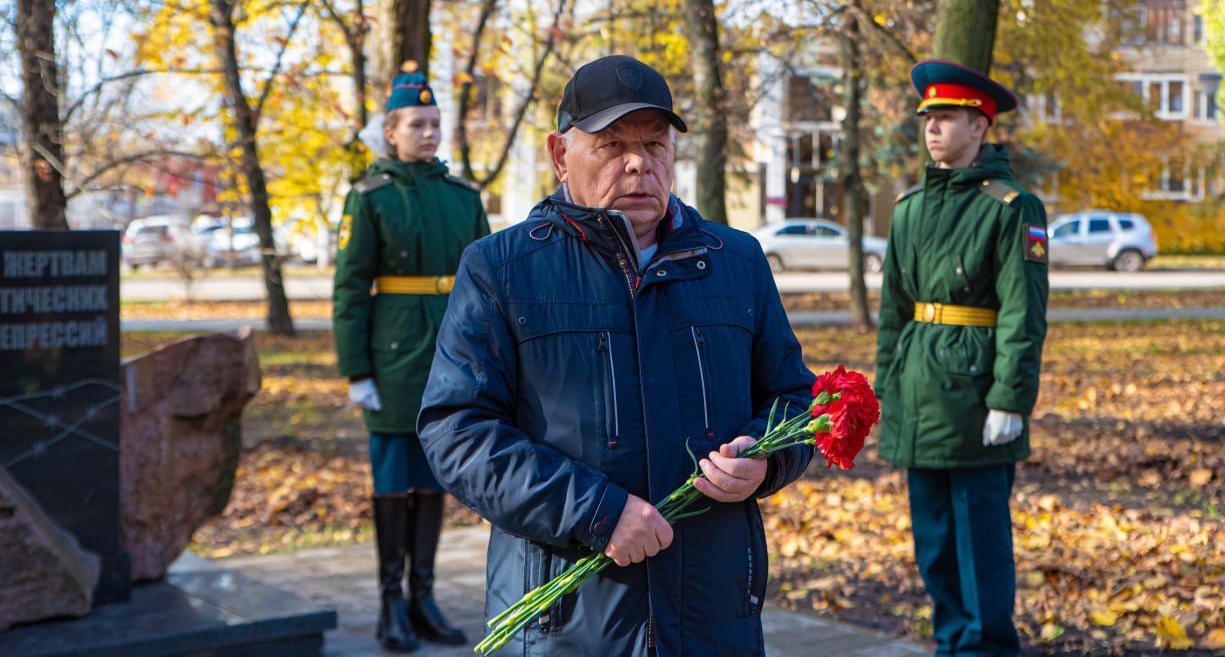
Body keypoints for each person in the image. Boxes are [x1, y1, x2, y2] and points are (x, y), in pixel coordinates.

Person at [417, 54, 816, 654]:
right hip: (568, 622)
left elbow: (795, 399)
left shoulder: (736, 261)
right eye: (611, 145)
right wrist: (596, 512)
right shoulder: (502, 269)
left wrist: (767, 460)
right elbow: (457, 430)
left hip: (712, 614)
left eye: (655, 144)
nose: (638, 163)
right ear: (560, 156)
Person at [874, 60, 1049, 657]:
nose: (932, 128)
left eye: (946, 117)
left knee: (980, 540)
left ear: (980, 125)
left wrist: (1010, 397)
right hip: (919, 390)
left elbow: (1024, 312)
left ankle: (987, 647)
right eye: (928, 118)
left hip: (976, 395)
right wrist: (884, 390)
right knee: (934, 542)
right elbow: (894, 312)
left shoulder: (1011, 208)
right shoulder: (908, 210)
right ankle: (952, 644)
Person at [333, 63, 490, 652]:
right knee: (394, 481)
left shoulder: (462, 197)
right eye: (416, 124)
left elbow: (484, 283)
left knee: (433, 481)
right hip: (394, 353)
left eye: (434, 123)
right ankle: (389, 604)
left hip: (454, 349)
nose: (429, 133)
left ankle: (424, 599)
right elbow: (349, 289)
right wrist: (357, 371)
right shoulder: (370, 197)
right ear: (391, 133)